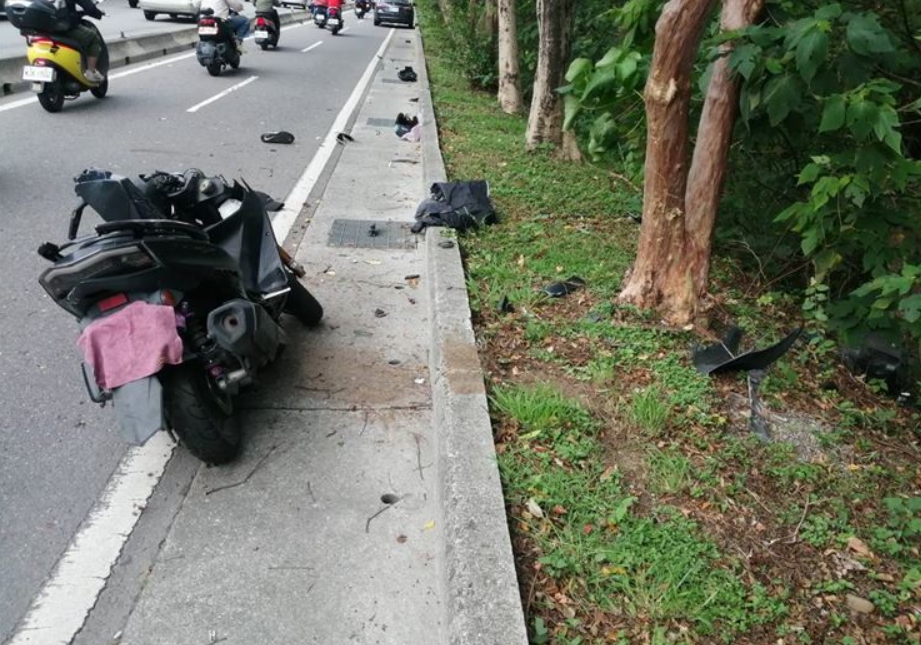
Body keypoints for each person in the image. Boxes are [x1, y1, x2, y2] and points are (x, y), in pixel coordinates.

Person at [62, 0, 105, 83]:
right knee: (93, 38)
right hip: (65, 28)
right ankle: (91, 71)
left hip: (43, 30)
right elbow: (90, 8)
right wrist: (98, 13)